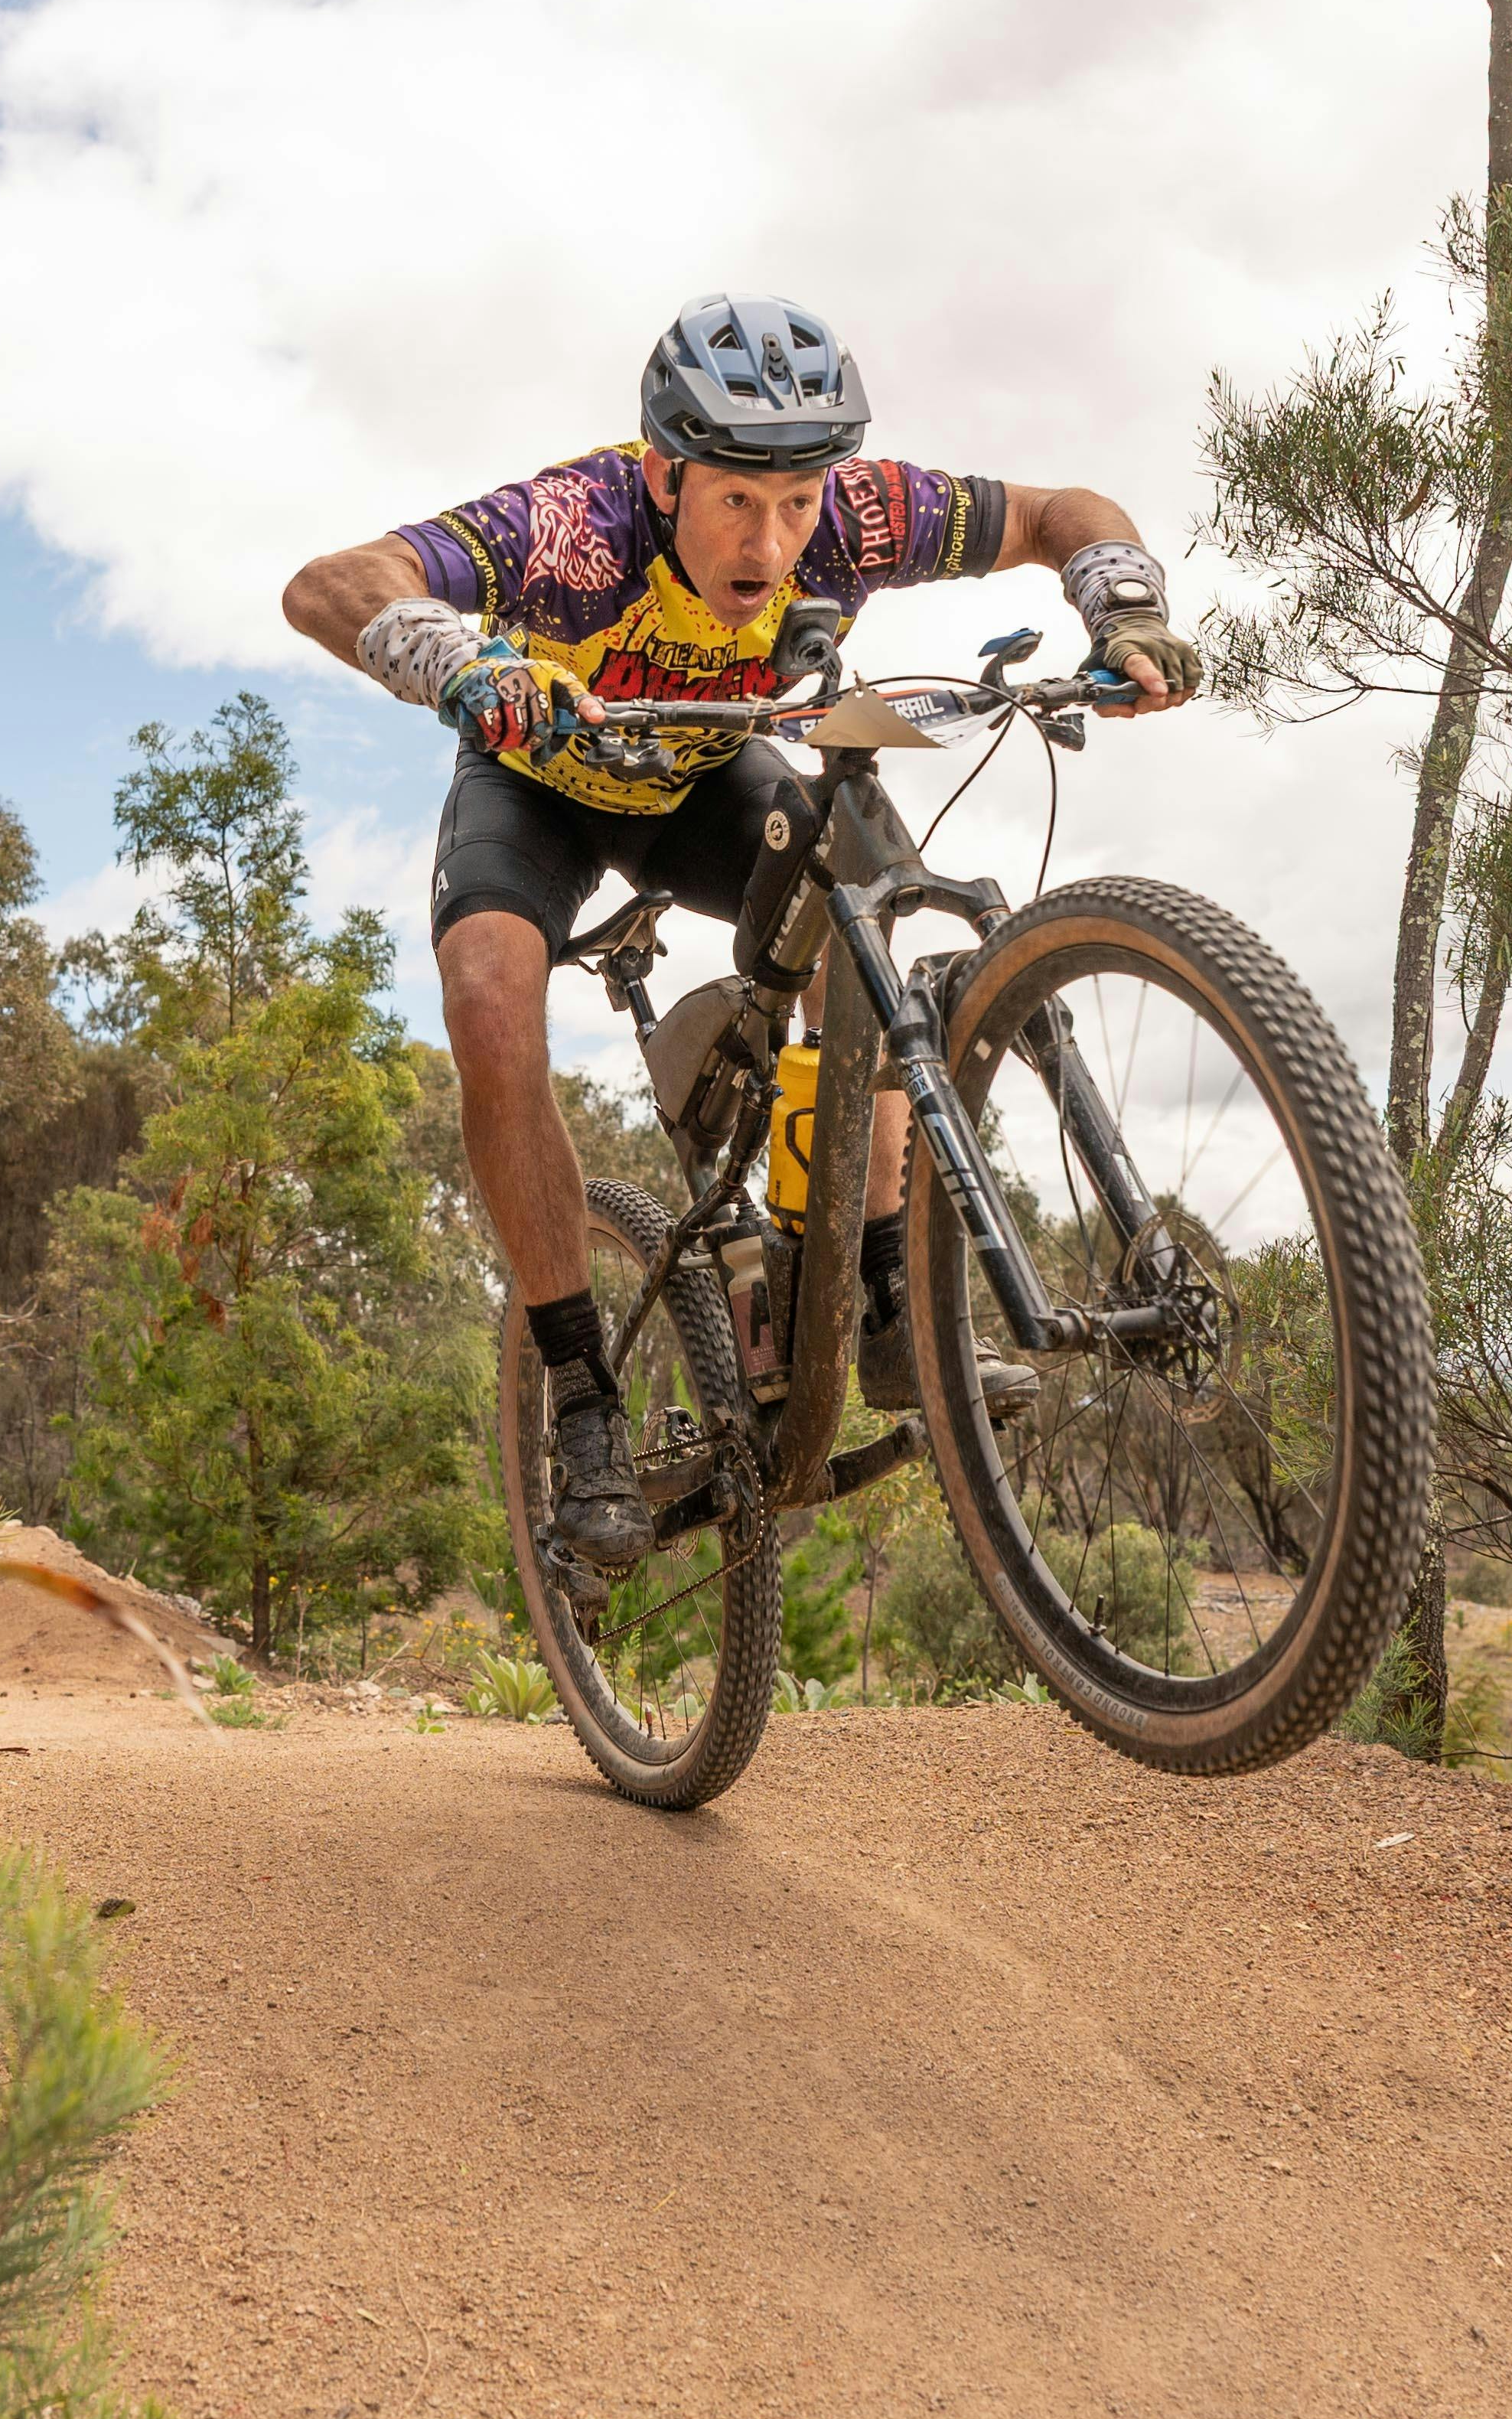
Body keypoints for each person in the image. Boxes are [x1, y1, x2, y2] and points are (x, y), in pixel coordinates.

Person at [281, 291, 1201, 1600]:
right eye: (734, 505)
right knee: (490, 995)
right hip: (543, 778)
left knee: (865, 897)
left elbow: (1066, 512)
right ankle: (583, 1397)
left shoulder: (868, 510)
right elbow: (330, 586)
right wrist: (464, 663)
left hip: (705, 776)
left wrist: (1126, 607)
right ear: (664, 474)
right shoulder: (575, 525)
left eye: (798, 505)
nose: (773, 543)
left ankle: (873, 1282)